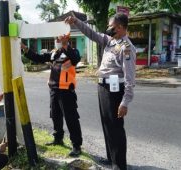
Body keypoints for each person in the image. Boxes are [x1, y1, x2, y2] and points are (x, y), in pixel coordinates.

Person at [65, 13, 136, 170]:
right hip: (103, 87)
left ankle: (119, 164)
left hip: (115, 90)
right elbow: (91, 33)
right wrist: (76, 21)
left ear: (120, 27)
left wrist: (125, 102)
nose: (108, 28)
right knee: (106, 123)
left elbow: (130, 79)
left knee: (115, 127)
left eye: (111, 26)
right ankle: (111, 159)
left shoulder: (127, 48)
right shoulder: (109, 40)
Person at [21, 34, 83, 157]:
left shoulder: (73, 51)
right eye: (56, 39)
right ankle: (58, 138)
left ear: (66, 39)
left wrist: (65, 46)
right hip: (54, 89)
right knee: (55, 115)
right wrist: (25, 49)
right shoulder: (54, 53)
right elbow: (39, 58)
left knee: (71, 118)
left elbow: (75, 60)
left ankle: (76, 145)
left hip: (66, 91)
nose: (56, 40)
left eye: (59, 38)